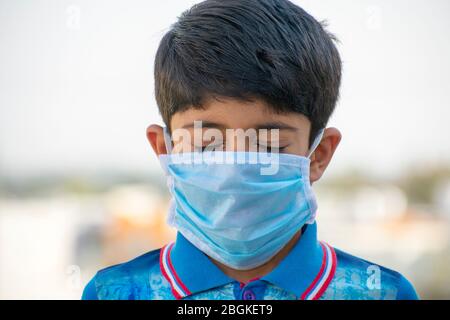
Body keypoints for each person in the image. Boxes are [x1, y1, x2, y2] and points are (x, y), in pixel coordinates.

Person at [82, 0, 418, 300]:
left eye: (268, 143)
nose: (233, 168)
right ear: (164, 150)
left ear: (318, 155)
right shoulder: (113, 292)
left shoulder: (381, 292)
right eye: (205, 142)